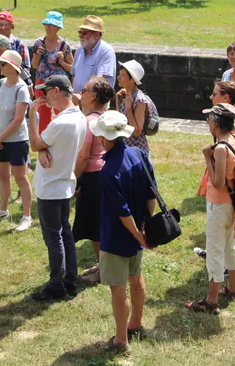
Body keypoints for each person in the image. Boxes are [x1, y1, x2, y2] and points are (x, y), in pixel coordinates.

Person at [89, 110, 155, 353]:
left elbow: (121, 210)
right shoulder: (139, 154)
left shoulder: (108, 170)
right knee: (136, 278)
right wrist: (145, 228)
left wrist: (137, 233)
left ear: (104, 138)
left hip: (117, 236)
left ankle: (120, 340)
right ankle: (136, 323)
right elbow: (151, 193)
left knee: (118, 287)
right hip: (138, 231)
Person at [28, 75, 86, 301]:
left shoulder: (61, 123)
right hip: (64, 184)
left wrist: (32, 116)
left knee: (54, 238)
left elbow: (35, 143)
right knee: (65, 235)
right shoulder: (77, 117)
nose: (43, 98)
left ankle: (56, 286)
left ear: (55, 91)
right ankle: (70, 280)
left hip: (51, 186)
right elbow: (44, 145)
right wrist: (42, 150)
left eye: (45, 92)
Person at [187, 103, 235, 315]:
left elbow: (219, 182)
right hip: (233, 203)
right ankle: (232, 289)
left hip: (219, 204)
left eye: (209, 119)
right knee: (230, 245)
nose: (207, 122)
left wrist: (207, 157)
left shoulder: (220, 148)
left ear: (217, 123)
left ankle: (211, 300)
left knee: (215, 251)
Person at [194, 81, 235, 262]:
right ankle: (233, 266)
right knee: (231, 231)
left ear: (226, 98)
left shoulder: (230, 127)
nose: (211, 97)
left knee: (232, 233)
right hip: (231, 185)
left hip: (228, 188)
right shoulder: (231, 123)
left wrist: (210, 158)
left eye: (215, 94)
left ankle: (228, 267)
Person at [0, 50, 34, 232]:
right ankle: (3, 210)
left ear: (13, 67)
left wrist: (0, 136)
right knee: (2, 175)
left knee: (20, 177)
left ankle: (26, 216)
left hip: (16, 140)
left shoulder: (21, 88)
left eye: (3, 64)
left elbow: (18, 118)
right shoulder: (0, 85)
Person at [73, 77, 114, 283]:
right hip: (108, 174)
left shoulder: (88, 122)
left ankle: (104, 271)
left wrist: (76, 180)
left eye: (84, 89)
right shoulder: (108, 117)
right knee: (102, 224)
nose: (81, 93)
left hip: (93, 176)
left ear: (94, 96)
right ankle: (104, 265)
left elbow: (83, 156)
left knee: (94, 227)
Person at [31, 11, 73, 133]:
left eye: (51, 25)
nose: (48, 27)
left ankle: (62, 136)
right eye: (46, 24)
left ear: (58, 28)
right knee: (43, 112)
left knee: (62, 111)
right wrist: (38, 56)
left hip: (59, 85)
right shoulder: (39, 43)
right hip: (41, 82)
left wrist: (62, 62)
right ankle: (44, 140)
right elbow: (34, 65)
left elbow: (71, 67)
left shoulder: (64, 45)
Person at [71, 15, 116, 94]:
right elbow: (74, 75)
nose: (80, 36)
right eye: (80, 32)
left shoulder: (106, 51)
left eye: (84, 33)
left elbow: (100, 80)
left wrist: (82, 95)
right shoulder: (79, 51)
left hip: (96, 104)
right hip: (77, 101)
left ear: (96, 35)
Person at [115, 60, 150, 156]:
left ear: (132, 80)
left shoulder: (139, 100)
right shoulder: (125, 95)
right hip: (124, 149)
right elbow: (121, 122)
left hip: (136, 152)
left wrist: (129, 108)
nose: (118, 77)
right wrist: (118, 102)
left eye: (122, 75)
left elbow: (137, 132)